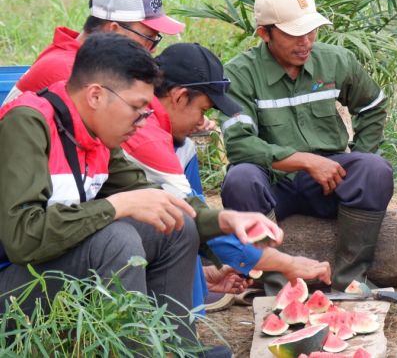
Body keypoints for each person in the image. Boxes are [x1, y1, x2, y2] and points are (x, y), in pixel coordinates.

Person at [0, 34, 276, 357]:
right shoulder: (28, 125)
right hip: (13, 292)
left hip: (51, 271)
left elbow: (147, 193)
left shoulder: (95, 134)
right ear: (96, 96)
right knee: (116, 237)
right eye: (137, 108)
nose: (143, 121)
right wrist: (115, 206)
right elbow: (22, 237)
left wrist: (223, 219)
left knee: (173, 225)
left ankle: (176, 348)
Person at [120, 42, 331, 311]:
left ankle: (192, 310)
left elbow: (196, 215)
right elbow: (193, 220)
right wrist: (286, 263)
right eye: (203, 110)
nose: (202, 122)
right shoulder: (146, 139)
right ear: (179, 96)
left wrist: (204, 273)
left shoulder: (173, 140)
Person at [219, 0, 394, 291]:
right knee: (240, 179)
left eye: (311, 30)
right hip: (273, 184)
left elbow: (373, 106)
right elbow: (239, 144)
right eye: (293, 33)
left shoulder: (337, 60)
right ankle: (275, 285)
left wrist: (360, 154)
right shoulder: (240, 73)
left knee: (375, 170)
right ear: (264, 33)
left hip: (329, 181)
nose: (306, 41)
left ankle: (349, 279)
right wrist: (305, 161)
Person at [3, 0, 184, 106]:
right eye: (148, 38)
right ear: (114, 30)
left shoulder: (86, 61)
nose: (151, 50)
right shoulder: (69, 69)